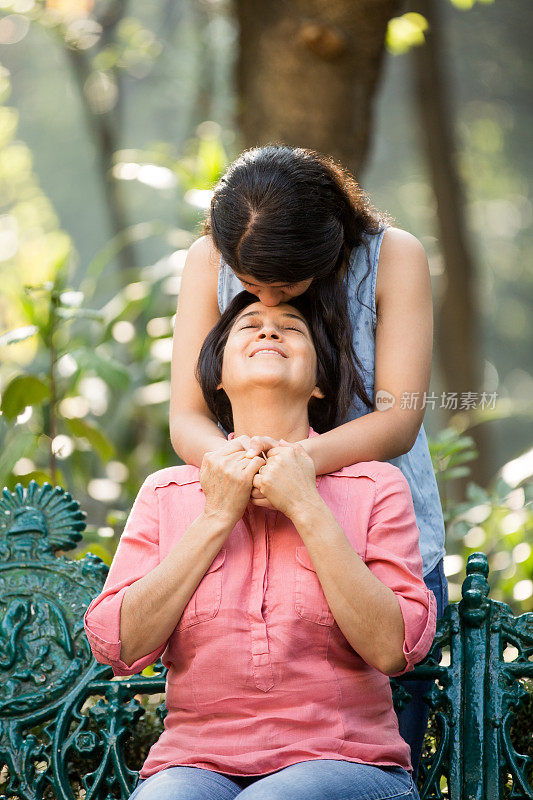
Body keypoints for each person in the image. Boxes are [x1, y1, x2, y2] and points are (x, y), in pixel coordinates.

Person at [84, 290, 437, 800]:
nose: (269, 331)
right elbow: (119, 646)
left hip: (347, 762)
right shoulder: (167, 493)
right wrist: (217, 515)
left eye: (291, 327)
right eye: (249, 325)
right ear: (218, 378)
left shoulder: (375, 487)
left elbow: (393, 648)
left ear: (319, 383)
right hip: (193, 764)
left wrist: (305, 504)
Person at [169, 144, 448, 777]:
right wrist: (241, 468)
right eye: (247, 287)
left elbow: (399, 418)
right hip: (253, 549)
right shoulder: (207, 258)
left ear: (328, 249)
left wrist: (289, 467)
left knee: (363, 760)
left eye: (284, 286)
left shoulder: (391, 257)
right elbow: (186, 418)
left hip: (380, 545)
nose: (263, 301)